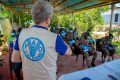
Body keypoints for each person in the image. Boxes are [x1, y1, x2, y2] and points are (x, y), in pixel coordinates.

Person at [11, 0, 72, 80]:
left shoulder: (21, 33)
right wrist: (63, 40)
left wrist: (29, 59)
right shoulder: (55, 37)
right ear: (48, 20)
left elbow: (14, 59)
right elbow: (69, 52)